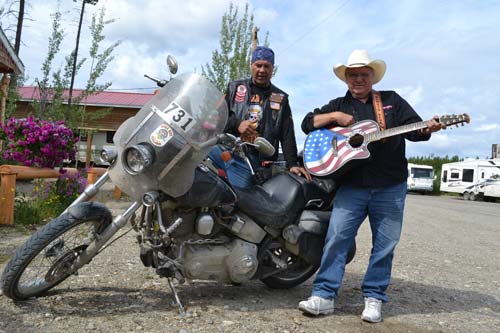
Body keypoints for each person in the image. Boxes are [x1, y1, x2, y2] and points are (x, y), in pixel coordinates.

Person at [298, 49, 445, 322]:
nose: (358, 79)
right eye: (353, 75)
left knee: (385, 245)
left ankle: (374, 297)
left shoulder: (390, 101)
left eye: (363, 74)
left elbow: (414, 128)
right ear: (346, 79)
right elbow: (309, 123)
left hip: (390, 185)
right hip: (351, 186)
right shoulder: (337, 104)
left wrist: (426, 129)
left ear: (372, 76)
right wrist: (335, 118)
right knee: (337, 239)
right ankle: (324, 295)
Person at [208, 46, 311, 187]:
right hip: (228, 151)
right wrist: (236, 123)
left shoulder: (281, 98)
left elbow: (287, 135)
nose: (262, 70)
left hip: (257, 162)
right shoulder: (234, 88)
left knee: (242, 199)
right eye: (258, 65)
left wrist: (292, 164)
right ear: (251, 66)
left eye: (267, 66)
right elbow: (216, 118)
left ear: (272, 69)